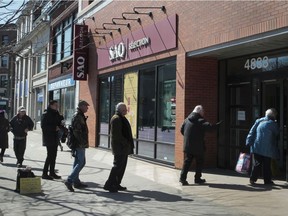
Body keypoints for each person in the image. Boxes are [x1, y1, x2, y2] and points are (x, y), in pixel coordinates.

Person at [179, 105, 222, 185]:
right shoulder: (200, 120)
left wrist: (188, 138)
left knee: (187, 162)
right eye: (203, 111)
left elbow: (181, 130)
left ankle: (182, 178)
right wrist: (218, 125)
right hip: (198, 146)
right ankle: (197, 178)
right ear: (199, 112)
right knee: (199, 162)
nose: (204, 113)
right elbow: (209, 127)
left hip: (188, 145)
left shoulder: (186, 120)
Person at [104, 102, 134, 193]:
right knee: (117, 166)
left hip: (123, 147)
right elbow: (116, 135)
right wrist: (126, 142)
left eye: (126, 109)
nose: (126, 111)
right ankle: (109, 184)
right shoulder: (116, 119)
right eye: (124, 110)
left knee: (122, 167)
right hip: (119, 147)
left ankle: (116, 183)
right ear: (120, 110)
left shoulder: (121, 117)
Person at [246, 108, 280, 185]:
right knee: (266, 165)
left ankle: (252, 179)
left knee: (257, 164)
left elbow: (251, 132)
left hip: (256, 146)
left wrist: (248, 141)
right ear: (273, 116)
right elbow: (277, 133)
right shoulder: (273, 124)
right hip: (268, 148)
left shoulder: (258, 121)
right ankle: (267, 180)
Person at [64, 100, 89, 192]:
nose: (87, 108)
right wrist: (81, 142)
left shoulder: (80, 115)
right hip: (79, 143)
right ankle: (70, 180)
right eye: (86, 106)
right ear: (81, 106)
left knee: (77, 162)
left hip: (79, 143)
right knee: (81, 162)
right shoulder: (78, 116)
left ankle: (76, 181)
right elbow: (77, 131)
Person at [41, 100, 62, 180]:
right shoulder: (46, 114)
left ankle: (52, 172)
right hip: (49, 137)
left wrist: (61, 122)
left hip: (55, 137)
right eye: (55, 105)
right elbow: (43, 127)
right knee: (50, 156)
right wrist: (54, 128)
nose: (57, 107)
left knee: (54, 156)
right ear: (51, 105)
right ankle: (44, 173)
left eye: (57, 105)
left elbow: (58, 123)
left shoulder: (56, 113)